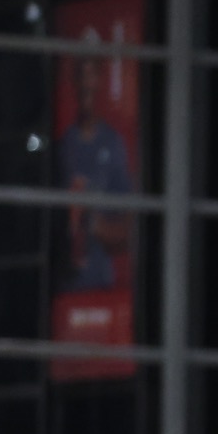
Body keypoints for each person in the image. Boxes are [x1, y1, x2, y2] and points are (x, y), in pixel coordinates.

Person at [57, 52, 135, 291]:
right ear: (74, 82)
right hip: (63, 285)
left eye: (91, 75)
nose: (86, 84)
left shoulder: (113, 144)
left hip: (100, 287)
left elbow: (129, 230)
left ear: (100, 80)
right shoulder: (62, 146)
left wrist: (91, 222)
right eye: (81, 75)